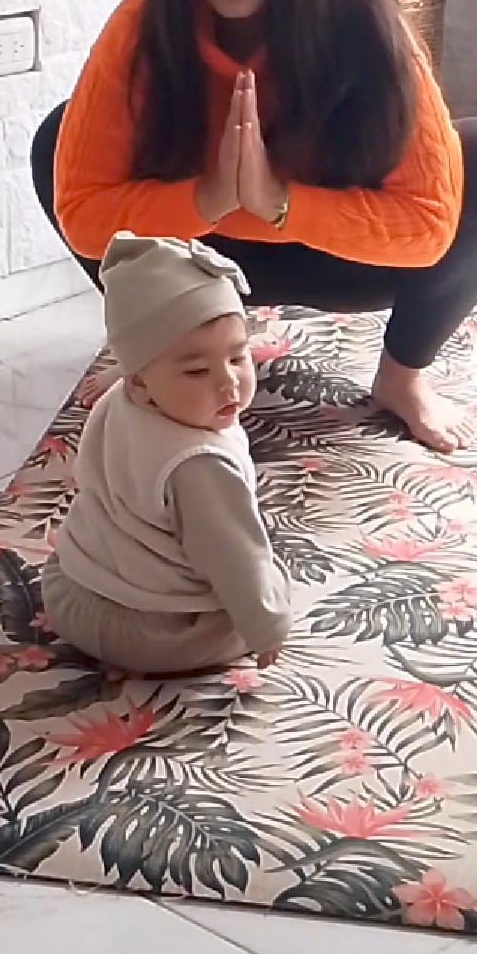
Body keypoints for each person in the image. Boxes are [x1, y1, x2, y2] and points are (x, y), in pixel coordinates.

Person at [31, 0, 477, 454]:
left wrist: (277, 203)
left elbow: (429, 225)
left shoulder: (366, 26)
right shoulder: (141, 28)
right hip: (202, 259)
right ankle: (177, 354)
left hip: (340, 256)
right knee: (57, 138)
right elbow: (85, 213)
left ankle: (402, 377)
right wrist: (210, 197)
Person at [43, 232, 292, 676]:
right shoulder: (199, 463)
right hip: (147, 628)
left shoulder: (121, 398)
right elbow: (232, 556)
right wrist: (266, 626)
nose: (228, 383)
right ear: (140, 378)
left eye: (238, 358)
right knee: (265, 581)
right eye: (196, 370)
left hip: (71, 585)